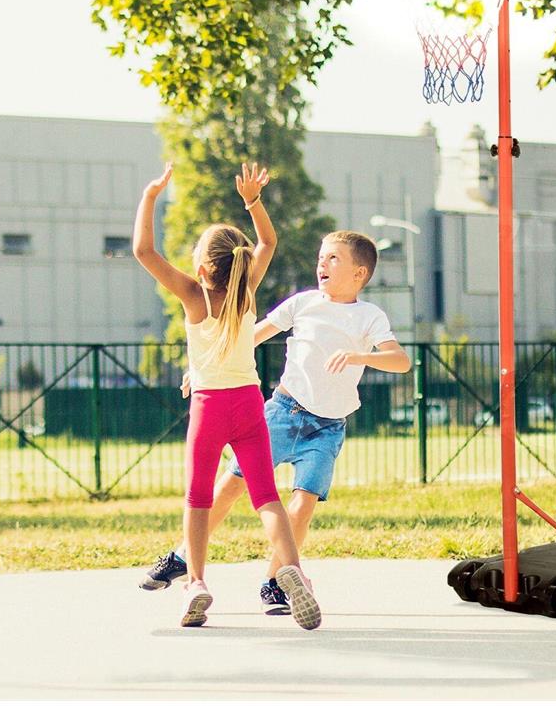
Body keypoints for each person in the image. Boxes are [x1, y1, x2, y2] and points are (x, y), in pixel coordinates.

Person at [140, 230, 411, 613]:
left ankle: (275, 581)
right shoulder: (303, 303)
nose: (322, 264)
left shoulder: (369, 317)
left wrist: (359, 356)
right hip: (284, 412)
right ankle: (183, 555)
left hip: (328, 427)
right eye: (321, 257)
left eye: (333, 258)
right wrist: (202, 365)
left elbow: (401, 361)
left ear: (359, 274)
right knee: (232, 487)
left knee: (302, 504)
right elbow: (247, 335)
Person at [133, 162, 320, 630]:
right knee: (267, 498)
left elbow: (142, 250)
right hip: (249, 405)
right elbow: (269, 243)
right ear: (237, 263)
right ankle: (292, 571)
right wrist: (253, 201)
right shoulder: (246, 292)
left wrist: (151, 196)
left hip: (210, 408)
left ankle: (195, 582)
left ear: (201, 267)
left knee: (198, 499)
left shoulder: (194, 295)